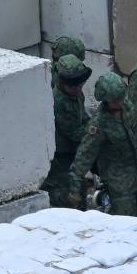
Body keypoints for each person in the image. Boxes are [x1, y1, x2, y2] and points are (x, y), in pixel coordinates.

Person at [67, 72, 137, 217]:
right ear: (106, 100)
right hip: (119, 186)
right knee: (127, 225)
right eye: (116, 101)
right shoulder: (98, 125)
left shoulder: (127, 107)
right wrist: (74, 190)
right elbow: (83, 158)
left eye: (122, 98)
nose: (121, 102)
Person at [41, 54, 92, 207]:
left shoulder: (77, 94)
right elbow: (74, 133)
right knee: (66, 198)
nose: (77, 89)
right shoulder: (58, 102)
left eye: (80, 85)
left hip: (73, 154)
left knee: (79, 189)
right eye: (73, 86)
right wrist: (97, 130)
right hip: (59, 159)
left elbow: (83, 117)